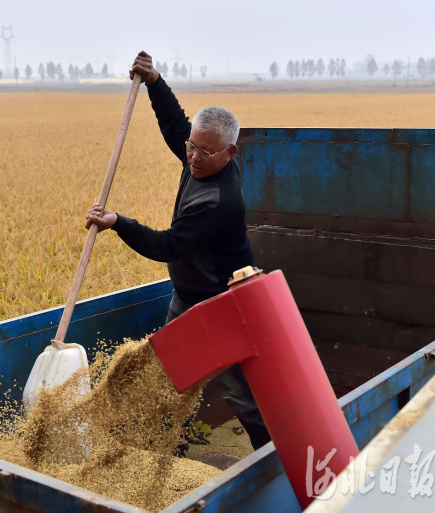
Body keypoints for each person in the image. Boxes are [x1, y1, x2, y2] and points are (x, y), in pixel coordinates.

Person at [85, 50, 271, 452]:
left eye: (204, 152)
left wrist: (118, 222)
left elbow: (166, 245)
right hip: (188, 296)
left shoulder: (217, 200)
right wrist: (154, 80)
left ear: (229, 153)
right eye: (192, 147)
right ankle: (172, 446)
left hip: (219, 305)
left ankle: (269, 460)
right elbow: (174, 126)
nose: (192, 157)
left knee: (240, 394)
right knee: (168, 376)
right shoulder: (202, 157)